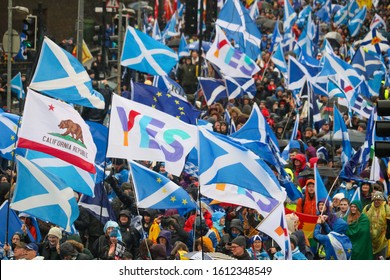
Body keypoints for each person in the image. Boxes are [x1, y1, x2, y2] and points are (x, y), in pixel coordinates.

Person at [363, 191, 390, 259]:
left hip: (382, 240)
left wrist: (387, 236)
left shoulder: (386, 208)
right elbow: (362, 221)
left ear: (382, 200)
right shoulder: (367, 208)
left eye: (379, 200)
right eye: (375, 200)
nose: (377, 201)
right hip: (369, 240)